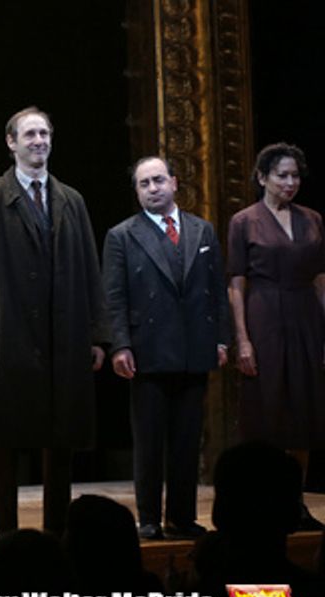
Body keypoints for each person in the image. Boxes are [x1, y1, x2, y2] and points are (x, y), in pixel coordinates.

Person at [0, 106, 110, 535]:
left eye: (44, 133)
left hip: (64, 335)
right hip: (11, 336)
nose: (38, 141)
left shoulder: (70, 200)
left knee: (60, 438)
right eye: (29, 134)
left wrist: (98, 335)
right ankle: (4, 531)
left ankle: (57, 530)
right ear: (11, 143)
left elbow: (90, 273)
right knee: (4, 438)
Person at [101, 157, 229, 540]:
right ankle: (149, 519)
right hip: (148, 352)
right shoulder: (122, 236)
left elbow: (216, 291)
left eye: (158, 180)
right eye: (144, 184)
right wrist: (120, 345)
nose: (153, 188)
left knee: (188, 442)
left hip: (193, 351)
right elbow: (114, 297)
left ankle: (182, 516)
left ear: (174, 182)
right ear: (137, 191)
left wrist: (221, 338)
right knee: (150, 443)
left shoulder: (201, 231)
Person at [227, 142, 325, 531]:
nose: (290, 183)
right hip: (264, 314)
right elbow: (236, 282)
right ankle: (263, 502)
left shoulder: (313, 218)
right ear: (262, 177)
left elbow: (320, 278)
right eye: (282, 175)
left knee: (303, 409)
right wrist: (243, 339)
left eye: (295, 176)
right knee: (267, 410)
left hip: (304, 316)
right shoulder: (244, 221)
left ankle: (295, 502)